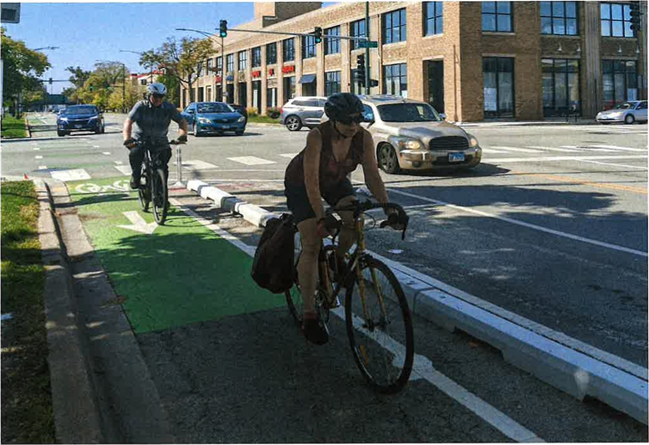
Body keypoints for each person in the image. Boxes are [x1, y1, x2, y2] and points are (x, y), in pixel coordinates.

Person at [284, 93, 403, 345]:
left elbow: (372, 175)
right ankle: (309, 314)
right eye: (347, 121)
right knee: (312, 241)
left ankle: (337, 260)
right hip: (302, 184)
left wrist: (389, 209)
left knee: (354, 220)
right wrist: (320, 218)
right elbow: (311, 182)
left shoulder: (363, 137)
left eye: (358, 120)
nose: (353, 126)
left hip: (336, 182)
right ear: (334, 119)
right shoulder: (317, 136)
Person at [123, 83, 188, 189]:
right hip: (140, 138)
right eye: (155, 96)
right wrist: (127, 139)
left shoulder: (168, 107)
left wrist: (182, 135)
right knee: (135, 153)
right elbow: (128, 122)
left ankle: (162, 193)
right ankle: (136, 176)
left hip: (160, 140)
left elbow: (182, 122)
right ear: (149, 95)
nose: (158, 99)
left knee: (163, 164)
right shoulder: (141, 106)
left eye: (161, 96)